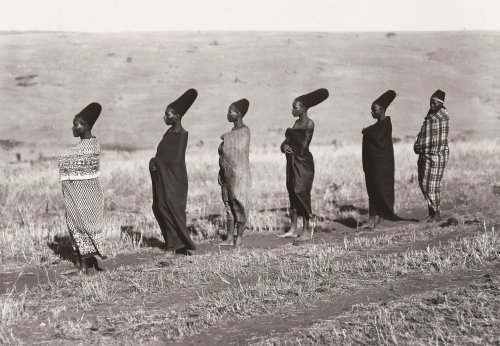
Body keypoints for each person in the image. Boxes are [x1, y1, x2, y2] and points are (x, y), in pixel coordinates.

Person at [58, 102, 106, 275]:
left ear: (85, 126)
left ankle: (84, 268)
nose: (73, 127)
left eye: (76, 124)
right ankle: (80, 264)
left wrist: (63, 158)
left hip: (88, 197)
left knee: (84, 226)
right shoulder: (85, 146)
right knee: (74, 225)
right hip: (75, 194)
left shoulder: (91, 146)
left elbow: (66, 158)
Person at [149, 89, 198, 255]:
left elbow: (174, 161)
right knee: (161, 206)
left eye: (168, 114)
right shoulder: (168, 133)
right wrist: (155, 162)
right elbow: (163, 156)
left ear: (177, 116)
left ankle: (177, 245)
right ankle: (174, 243)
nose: (164, 117)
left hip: (175, 180)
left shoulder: (181, 135)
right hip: (163, 178)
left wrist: (157, 162)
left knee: (173, 208)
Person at [278, 88, 329, 240]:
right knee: (292, 194)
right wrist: (283, 146)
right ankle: (293, 229)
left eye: (295, 107)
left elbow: (302, 144)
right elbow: (288, 142)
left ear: (304, 108)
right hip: (291, 162)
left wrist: (289, 136)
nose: (292, 110)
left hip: (303, 163)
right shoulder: (296, 123)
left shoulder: (309, 123)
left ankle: (308, 229)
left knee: (301, 191)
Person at [361, 90, 400, 229]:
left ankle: (381, 220)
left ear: (382, 110)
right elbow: (372, 133)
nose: (372, 112)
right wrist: (367, 131)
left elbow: (377, 138)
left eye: (374, 110)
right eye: (371, 110)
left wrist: (366, 131)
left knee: (381, 190)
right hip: (372, 165)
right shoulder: (376, 126)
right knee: (372, 191)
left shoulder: (385, 125)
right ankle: (371, 219)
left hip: (383, 166)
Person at [218, 99, 252, 247]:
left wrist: (225, 140)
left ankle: (239, 237)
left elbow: (237, 153)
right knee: (228, 204)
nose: (227, 114)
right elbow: (225, 155)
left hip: (239, 174)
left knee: (239, 203)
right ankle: (229, 237)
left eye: (230, 112)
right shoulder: (231, 133)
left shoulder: (244, 131)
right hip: (227, 173)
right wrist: (221, 171)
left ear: (238, 114)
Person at [413, 89, 450, 222]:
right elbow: (424, 133)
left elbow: (437, 141)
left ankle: (437, 215)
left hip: (437, 156)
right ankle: (431, 213)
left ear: (441, 103)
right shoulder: (431, 116)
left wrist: (420, 146)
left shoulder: (442, 118)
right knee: (423, 182)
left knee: (432, 185)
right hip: (425, 155)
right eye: (430, 103)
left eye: (434, 103)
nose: (432, 106)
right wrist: (418, 146)